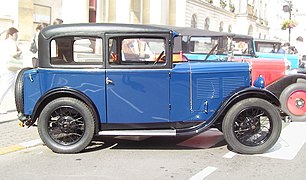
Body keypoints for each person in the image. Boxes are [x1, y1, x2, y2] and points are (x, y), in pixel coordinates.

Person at [0, 27, 22, 114]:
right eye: (15, 34)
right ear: (11, 35)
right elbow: (13, 54)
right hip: (10, 68)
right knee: (5, 87)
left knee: (14, 89)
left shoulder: (4, 43)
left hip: (5, 67)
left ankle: (19, 106)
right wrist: (19, 52)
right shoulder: (12, 43)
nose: (16, 36)